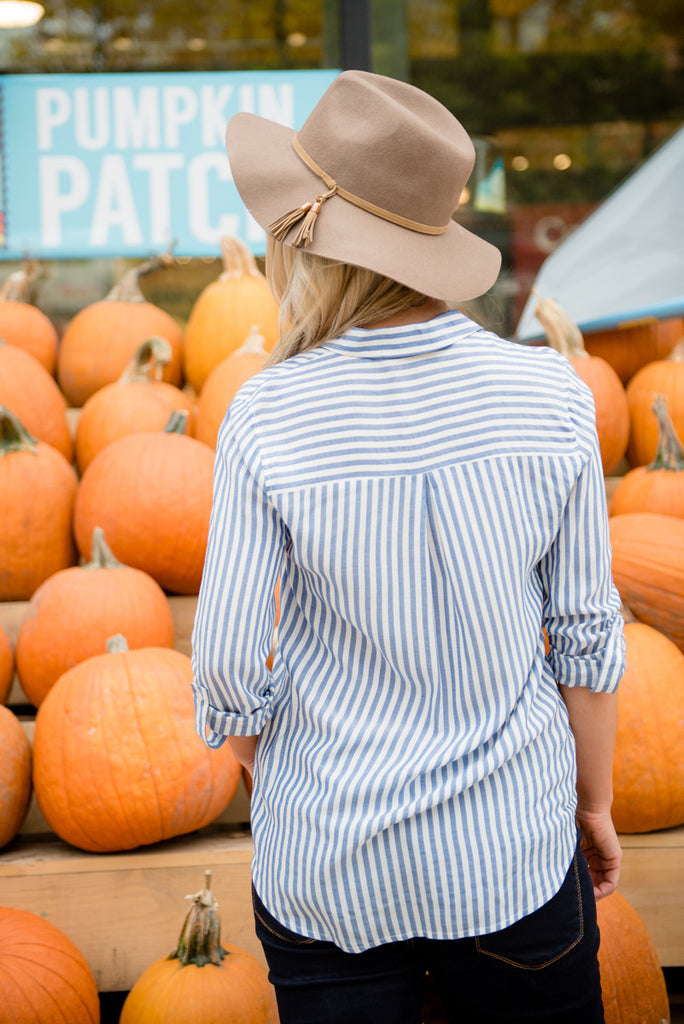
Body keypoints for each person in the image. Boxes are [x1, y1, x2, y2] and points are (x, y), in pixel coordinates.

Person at [191, 70, 625, 1024]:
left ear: (307, 245)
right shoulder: (555, 396)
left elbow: (224, 667)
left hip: (328, 866)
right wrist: (591, 804)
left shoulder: (265, 411)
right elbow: (588, 635)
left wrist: (291, 768)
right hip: (511, 853)